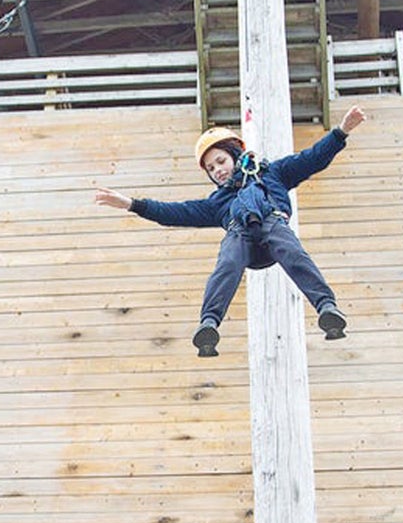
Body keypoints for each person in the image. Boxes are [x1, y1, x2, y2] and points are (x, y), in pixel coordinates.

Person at [95, 106, 367, 357]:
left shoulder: (273, 174)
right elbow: (173, 212)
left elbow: (313, 158)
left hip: (272, 227)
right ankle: (209, 323)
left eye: (221, 161)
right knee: (227, 263)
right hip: (242, 239)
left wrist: (341, 131)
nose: (218, 171)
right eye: (211, 169)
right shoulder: (217, 203)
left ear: (234, 155)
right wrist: (132, 204)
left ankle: (326, 307)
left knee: (292, 251)